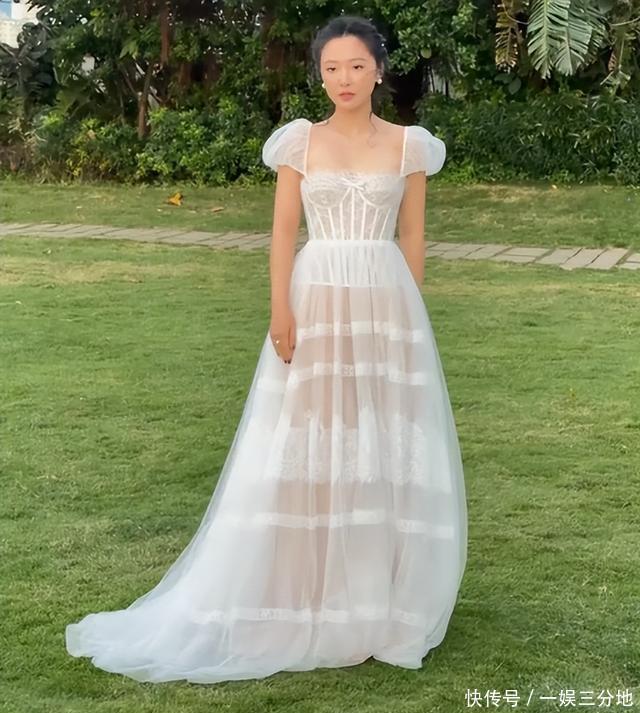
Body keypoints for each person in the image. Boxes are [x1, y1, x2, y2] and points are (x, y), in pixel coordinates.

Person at [65, 14, 467, 684]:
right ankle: (300, 592)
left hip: (384, 302)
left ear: (378, 70)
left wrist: (410, 315)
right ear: (320, 74)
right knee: (308, 438)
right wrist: (281, 307)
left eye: (357, 66)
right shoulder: (299, 142)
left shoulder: (410, 147)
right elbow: (283, 232)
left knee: (378, 441)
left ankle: (373, 600)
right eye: (332, 68)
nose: (344, 79)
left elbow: (413, 237)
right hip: (317, 296)